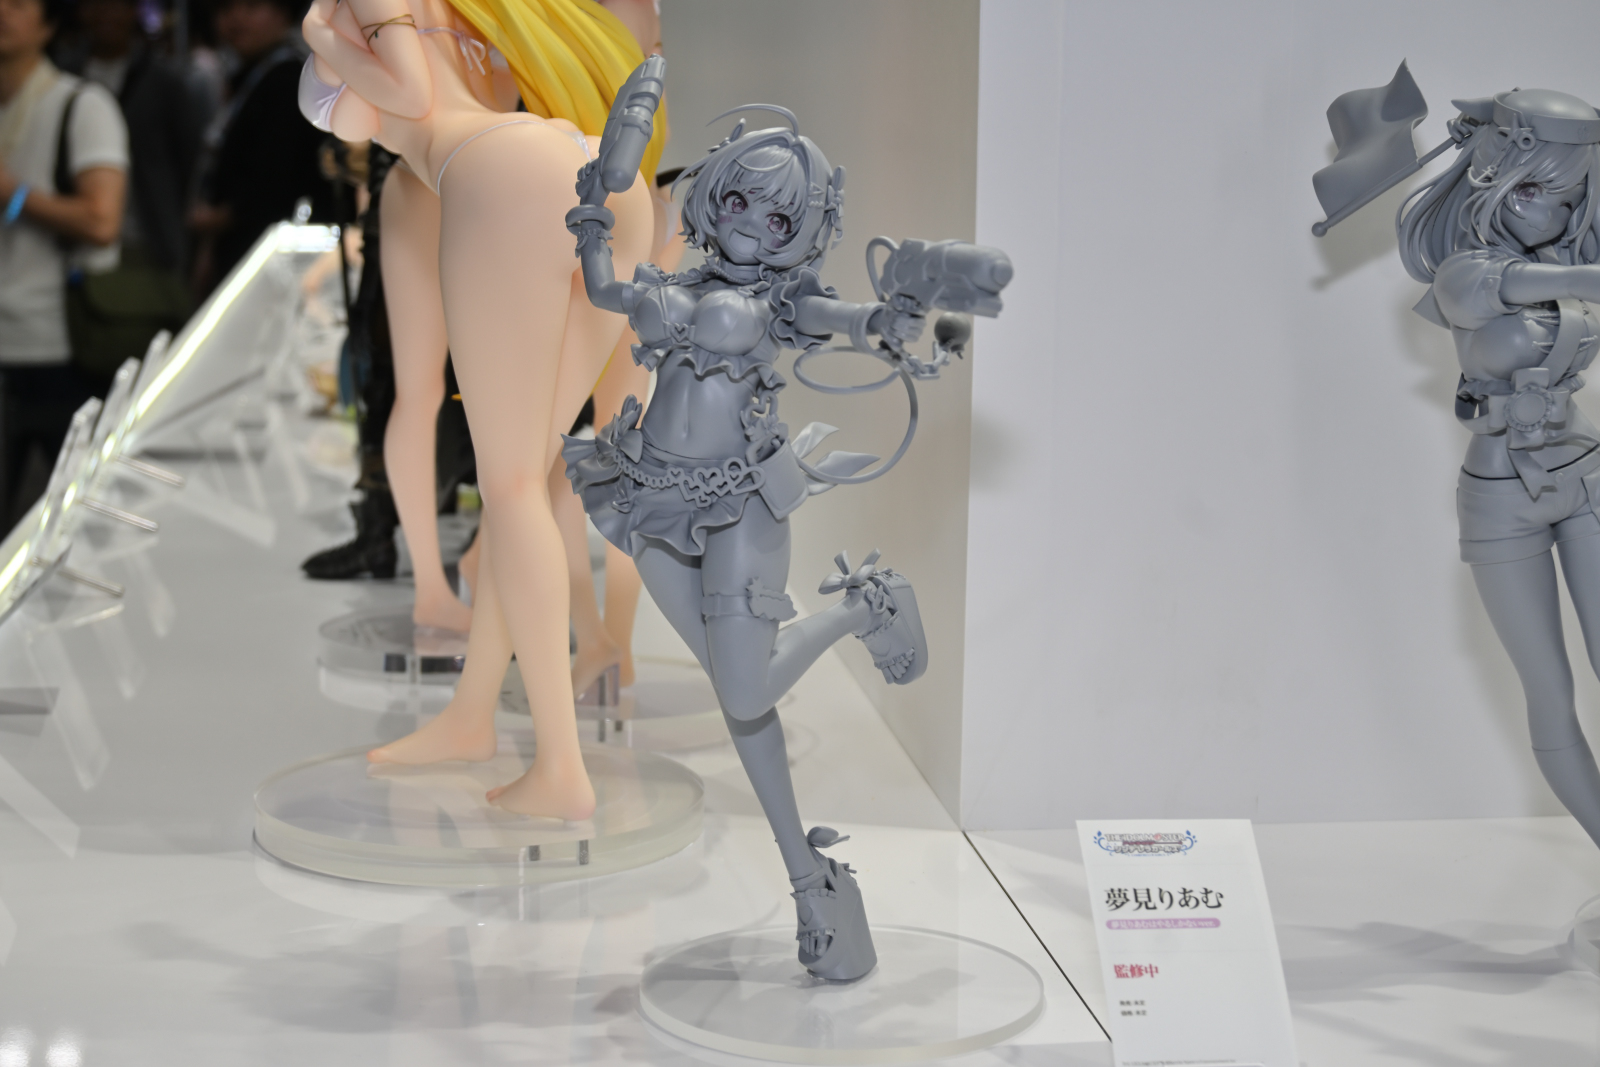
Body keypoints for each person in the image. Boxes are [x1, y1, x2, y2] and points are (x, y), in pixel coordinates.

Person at [300, 0, 659, 820]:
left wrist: (321, 38)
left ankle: (560, 768)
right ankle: (472, 716)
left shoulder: (356, 8)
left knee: (512, 485)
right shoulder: (457, 10)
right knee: (523, 482)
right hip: (591, 163)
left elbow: (405, 94)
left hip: (497, 175)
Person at [1396, 89, 1600, 850]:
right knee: (1551, 694)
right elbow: (1501, 288)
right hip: (1501, 497)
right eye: (1537, 190)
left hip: (1584, 473)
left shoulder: (1569, 252)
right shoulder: (1464, 274)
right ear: (1499, 180)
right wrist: (1583, 279)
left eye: (1569, 196)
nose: (1552, 212)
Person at [0, 0, 127, 522]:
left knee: (81, 518)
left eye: (18, 3)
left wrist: (13, 195)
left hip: (60, 346)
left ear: (49, 23)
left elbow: (102, 221)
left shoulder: (81, 104)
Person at [192, 0, 330, 292]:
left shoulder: (289, 79)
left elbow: (274, 182)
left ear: (283, 13)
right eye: (226, 8)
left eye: (252, 6)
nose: (237, 18)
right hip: (249, 251)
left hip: (276, 258)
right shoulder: (251, 75)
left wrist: (216, 219)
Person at [67, 0, 201, 278]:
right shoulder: (64, 75)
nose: (105, 14)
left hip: (148, 240)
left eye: (116, 6)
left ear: (132, 12)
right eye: (96, 5)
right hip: (72, 238)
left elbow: (188, 159)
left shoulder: (165, 81)